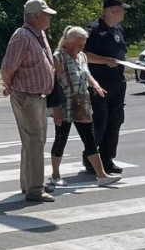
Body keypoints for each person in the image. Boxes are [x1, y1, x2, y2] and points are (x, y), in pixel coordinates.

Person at [48, 26, 119, 188]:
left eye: (83, 44)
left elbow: (86, 74)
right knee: (61, 138)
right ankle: (55, 175)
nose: (82, 47)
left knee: (90, 139)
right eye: (79, 44)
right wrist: (56, 110)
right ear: (68, 43)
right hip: (64, 104)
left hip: (82, 103)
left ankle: (102, 175)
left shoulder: (82, 57)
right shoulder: (58, 58)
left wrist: (95, 85)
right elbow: (53, 85)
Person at [1, 0, 57, 203]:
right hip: (27, 95)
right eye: (46, 14)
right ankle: (34, 189)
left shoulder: (39, 34)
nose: (49, 17)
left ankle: (30, 184)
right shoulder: (22, 36)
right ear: (36, 17)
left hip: (37, 95)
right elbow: (8, 67)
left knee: (33, 141)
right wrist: (8, 85)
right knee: (35, 141)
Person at [85, 0, 132, 176]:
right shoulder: (94, 30)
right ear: (111, 10)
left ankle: (107, 158)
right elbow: (84, 54)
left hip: (117, 84)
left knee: (115, 121)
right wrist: (105, 61)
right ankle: (91, 158)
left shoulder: (118, 29)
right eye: (121, 9)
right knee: (99, 122)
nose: (124, 12)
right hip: (99, 84)